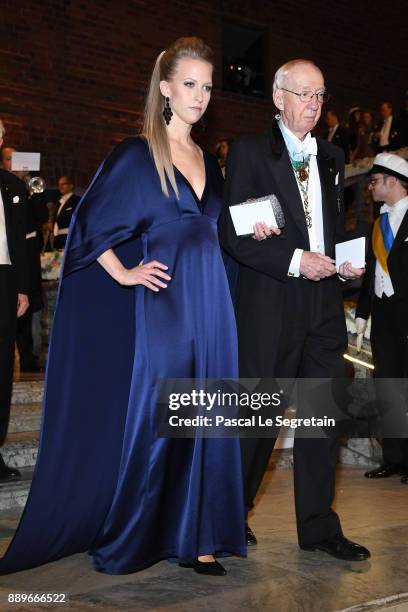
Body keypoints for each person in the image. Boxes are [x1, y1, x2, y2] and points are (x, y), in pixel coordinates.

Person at [0, 37, 246, 577]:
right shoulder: (138, 154)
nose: (200, 96)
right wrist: (126, 272)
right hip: (166, 309)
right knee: (161, 418)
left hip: (213, 307)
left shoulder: (209, 158)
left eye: (207, 87)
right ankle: (137, 534)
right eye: (190, 84)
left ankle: (198, 535)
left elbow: (214, 232)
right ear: (165, 87)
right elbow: (88, 227)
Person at [219, 59, 370, 561]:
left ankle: (320, 527)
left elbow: (333, 224)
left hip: (324, 305)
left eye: (320, 96)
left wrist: (348, 262)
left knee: (322, 419)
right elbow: (232, 232)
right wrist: (292, 260)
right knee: (257, 422)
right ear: (278, 98)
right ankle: (228, 518)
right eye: (303, 94)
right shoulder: (248, 152)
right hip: (271, 304)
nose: (313, 105)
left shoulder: (331, 155)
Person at [355, 153, 408, 483]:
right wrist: (363, 313)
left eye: (374, 181)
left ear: (392, 181)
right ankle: (395, 457)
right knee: (388, 387)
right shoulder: (378, 223)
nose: (371, 187)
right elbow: (372, 271)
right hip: (384, 315)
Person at [1, 145, 47, 372]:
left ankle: (29, 357)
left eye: (17, 159)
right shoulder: (4, 186)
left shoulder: (27, 186)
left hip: (27, 253)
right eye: (10, 159)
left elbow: (42, 216)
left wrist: (29, 184)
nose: (15, 163)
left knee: (28, 304)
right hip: (8, 255)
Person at [0, 122, 29, 481]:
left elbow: (21, 242)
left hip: (4, 281)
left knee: (2, 368)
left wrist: (23, 288)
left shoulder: (12, 185)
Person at [53, 176, 81, 250]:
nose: (60, 187)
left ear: (71, 186)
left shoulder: (77, 200)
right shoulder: (59, 202)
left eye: (63, 184)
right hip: (59, 239)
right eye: (59, 185)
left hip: (70, 238)